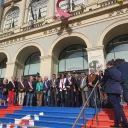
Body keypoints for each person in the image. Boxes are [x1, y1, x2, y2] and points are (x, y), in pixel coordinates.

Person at [101, 60, 128, 127]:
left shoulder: (108, 70)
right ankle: (125, 121)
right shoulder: (118, 71)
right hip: (118, 89)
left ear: (109, 65)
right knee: (118, 106)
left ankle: (118, 123)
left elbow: (104, 79)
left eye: (107, 65)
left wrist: (101, 84)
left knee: (116, 106)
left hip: (111, 89)